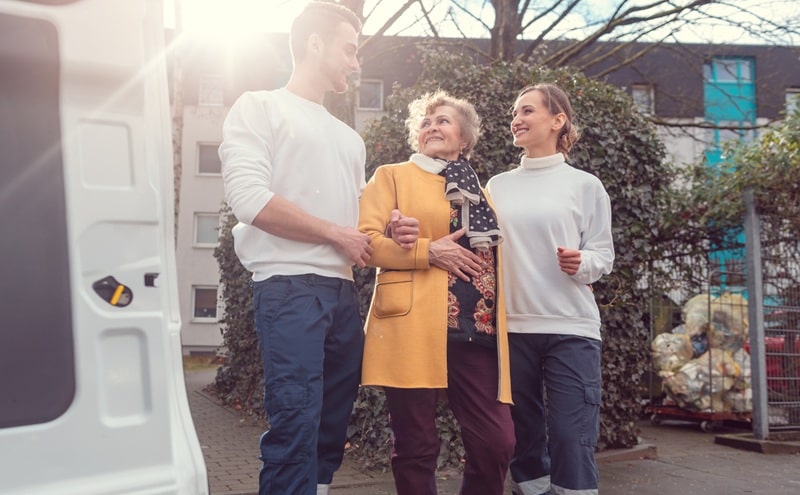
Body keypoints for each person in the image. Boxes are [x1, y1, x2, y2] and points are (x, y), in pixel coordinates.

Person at [219, 3, 416, 494]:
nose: (355, 62)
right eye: (350, 50)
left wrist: (386, 229)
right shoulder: (258, 106)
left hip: (342, 296)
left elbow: (355, 221)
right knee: (296, 425)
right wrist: (335, 233)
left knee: (330, 429)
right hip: (288, 289)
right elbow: (249, 199)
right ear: (314, 44)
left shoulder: (350, 139)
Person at [358, 89, 516, 495]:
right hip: (412, 324)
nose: (431, 127)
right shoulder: (392, 176)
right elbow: (366, 244)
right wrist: (428, 251)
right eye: (425, 123)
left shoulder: (482, 191)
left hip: (476, 330)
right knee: (415, 445)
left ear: (464, 138)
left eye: (443, 120)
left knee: (496, 442)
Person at [486, 83, 615, 495]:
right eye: (515, 112)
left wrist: (583, 263)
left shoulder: (585, 185)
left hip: (571, 327)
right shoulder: (497, 186)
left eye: (527, 111)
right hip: (511, 328)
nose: (516, 119)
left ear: (558, 120)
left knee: (569, 434)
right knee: (523, 439)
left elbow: (602, 255)